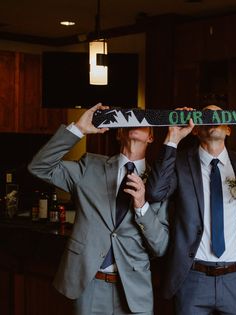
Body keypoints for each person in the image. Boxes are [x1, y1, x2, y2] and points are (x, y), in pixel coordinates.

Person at [28, 103, 170, 315]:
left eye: (141, 119)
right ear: (118, 133)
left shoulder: (160, 184)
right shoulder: (89, 166)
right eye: (127, 118)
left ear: (151, 137)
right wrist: (78, 129)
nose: (133, 121)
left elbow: (160, 246)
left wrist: (142, 206)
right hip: (88, 286)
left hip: (134, 292)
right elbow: (39, 166)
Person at [145, 105, 236, 315]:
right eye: (206, 116)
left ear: (229, 128)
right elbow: (154, 193)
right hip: (193, 279)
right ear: (196, 129)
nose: (213, 119)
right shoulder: (180, 162)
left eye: (219, 115)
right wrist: (172, 138)